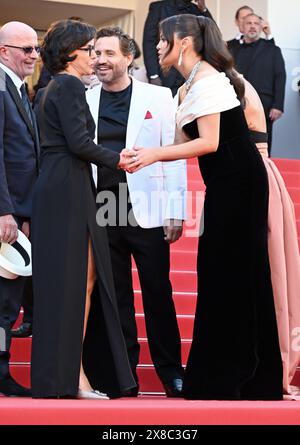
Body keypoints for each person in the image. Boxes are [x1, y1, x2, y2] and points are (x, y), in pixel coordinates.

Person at [128, 14, 283, 400]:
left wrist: (152, 155)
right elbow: (180, 141)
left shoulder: (211, 79)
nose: (157, 46)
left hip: (240, 184)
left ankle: (241, 377)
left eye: (163, 39)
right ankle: (226, 374)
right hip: (224, 184)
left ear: (183, 42)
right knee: (218, 271)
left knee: (232, 271)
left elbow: (208, 142)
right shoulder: (187, 86)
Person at [30, 19, 136, 399]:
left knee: (72, 284)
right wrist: (119, 160)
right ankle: (74, 379)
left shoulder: (49, 87)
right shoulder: (71, 85)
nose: (94, 56)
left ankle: (65, 377)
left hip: (59, 185)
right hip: (69, 187)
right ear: (71, 53)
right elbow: (78, 142)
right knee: (77, 284)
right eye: (90, 49)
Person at [86, 26, 187, 397]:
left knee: (158, 292)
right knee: (115, 297)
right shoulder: (85, 98)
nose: (100, 59)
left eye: (109, 53)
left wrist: (176, 208)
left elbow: (173, 154)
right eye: (96, 52)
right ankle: (122, 373)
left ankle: (171, 371)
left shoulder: (159, 97)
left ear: (129, 58)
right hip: (101, 209)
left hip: (147, 209)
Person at [242, 76, 300, 398]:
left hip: (254, 182)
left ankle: (270, 362)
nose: (157, 46)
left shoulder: (230, 85)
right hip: (241, 182)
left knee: (272, 271)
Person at [0, 21, 40, 396]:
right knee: (3, 301)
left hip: (20, 211)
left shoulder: (18, 88)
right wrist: (5, 211)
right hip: (6, 214)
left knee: (8, 300)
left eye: (36, 48)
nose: (33, 55)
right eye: (25, 49)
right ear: (3, 52)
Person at [230, 13, 286, 154]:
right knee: (236, 143)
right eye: (249, 23)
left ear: (261, 27)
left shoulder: (273, 50)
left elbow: (280, 77)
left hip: (264, 105)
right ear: (242, 26)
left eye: (256, 23)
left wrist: (278, 105)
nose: (253, 26)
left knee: (262, 146)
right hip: (235, 103)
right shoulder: (232, 49)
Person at [143, 0, 213, 95]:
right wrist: (153, 75)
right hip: (164, 74)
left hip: (190, 74)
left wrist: (203, 9)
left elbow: (212, 34)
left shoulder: (196, 9)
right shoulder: (158, 8)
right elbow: (149, 42)